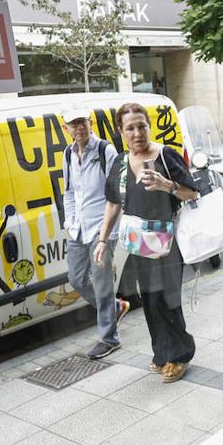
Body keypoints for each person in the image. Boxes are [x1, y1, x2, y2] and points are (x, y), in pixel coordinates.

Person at [96, 103, 199, 383]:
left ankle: (180, 355)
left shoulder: (166, 155)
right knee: (151, 301)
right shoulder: (119, 163)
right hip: (139, 245)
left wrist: (167, 185)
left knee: (169, 300)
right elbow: (112, 203)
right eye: (130, 127)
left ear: (148, 126)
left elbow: (192, 193)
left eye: (142, 125)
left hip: (167, 243)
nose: (137, 132)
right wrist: (103, 240)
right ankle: (162, 353)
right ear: (121, 132)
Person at [60, 105, 129, 359]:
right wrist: (69, 222)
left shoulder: (104, 150)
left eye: (83, 122)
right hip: (78, 228)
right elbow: (68, 191)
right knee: (76, 278)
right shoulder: (67, 154)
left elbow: (115, 192)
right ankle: (114, 307)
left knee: (102, 284)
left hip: (102, 228)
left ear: (90, 123)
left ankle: (109, 338)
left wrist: (108, 232)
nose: (79, 127)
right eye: (73, 124)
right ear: (65, 129)